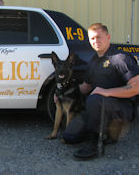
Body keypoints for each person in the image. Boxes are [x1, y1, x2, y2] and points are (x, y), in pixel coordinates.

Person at [56, 23, 139, 160]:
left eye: (99, 37)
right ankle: (107, 132)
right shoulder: (93, 62)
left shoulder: (121, 58)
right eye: (92, 39)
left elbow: (136, 88)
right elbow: (84, 88)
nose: (96, 41)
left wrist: (107, 92)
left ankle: (95, 143)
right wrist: (62, 93)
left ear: (108, 37)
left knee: (95, 99)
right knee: (69, 137)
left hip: (121, 109)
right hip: (98, 107)